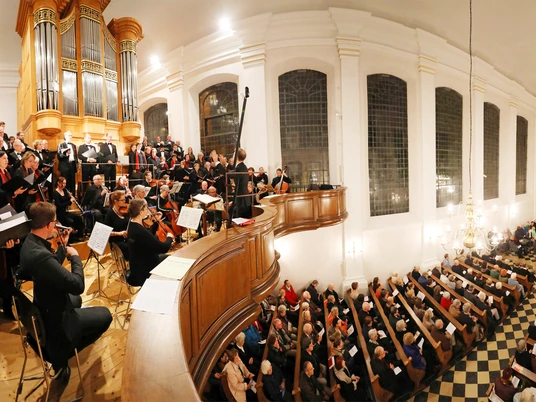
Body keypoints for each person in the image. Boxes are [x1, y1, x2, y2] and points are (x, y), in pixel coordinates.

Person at [18, 202, 112, 379]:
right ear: (49, 225)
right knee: (106, 315)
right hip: (56, 318)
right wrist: (75, 257)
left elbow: (50, 268)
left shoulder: (30, 242)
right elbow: (78, 285)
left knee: (76, 299)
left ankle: (67, 344)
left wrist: (63, 247)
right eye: (55, 222)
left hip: (44, 301)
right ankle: (64, 353)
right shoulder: (41, 255)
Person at [127, 199, 173, 286]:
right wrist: (169, 238)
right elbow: (163, 248)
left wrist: (156, 223)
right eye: (146, 209)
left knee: (167, 258)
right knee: (170, 260)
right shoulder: (139, 231)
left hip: (139, 263)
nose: (148, 211)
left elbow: (148, 235)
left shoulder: (132, 225)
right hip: (144, 269)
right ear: (141, 213)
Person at [52, 176, 85, 242]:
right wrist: (69, 201)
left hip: (65, 212)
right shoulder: (55, 193)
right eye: (62, 183)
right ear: (58, 183)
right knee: (70, 221)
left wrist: (70, 198)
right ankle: (71, 238)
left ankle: (79, 236)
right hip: (59, 214)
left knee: (78, 217)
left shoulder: (64, 190)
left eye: (65, 183)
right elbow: (59, 205)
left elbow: (67, 202)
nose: (64, 185)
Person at [104, 191, 130, 260]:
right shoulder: (110, 214)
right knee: (130, 247)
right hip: (117, 240)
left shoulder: (126, 211)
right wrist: (119, 233)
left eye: (125, 199)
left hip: (127, 237)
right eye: (122, 200)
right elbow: (106, 232)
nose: (124, 201)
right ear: (115, 201)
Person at [228, 148, 252, 219]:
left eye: (234, 154)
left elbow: (229, 174)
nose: (232, 155)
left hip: (241, 201)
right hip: (243, 198)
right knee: (231, 211)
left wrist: (219, 163)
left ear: (236, 156)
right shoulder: (242, 166)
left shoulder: (239, 168)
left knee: (240, 221)